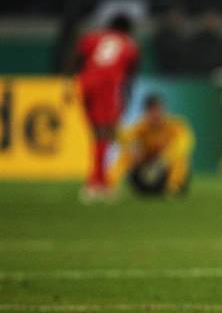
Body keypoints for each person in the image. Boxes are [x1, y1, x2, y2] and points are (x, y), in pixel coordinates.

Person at [76, 13, 139, 202]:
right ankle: (96, 183)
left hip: (86, 82)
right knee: (105, 132)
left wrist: (71, 79)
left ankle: (100, 180)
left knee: (97, 134)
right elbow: (130, 75)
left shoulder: (93, 37)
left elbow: (78, 56)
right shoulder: (129, 44)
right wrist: (126, 98)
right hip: (107, 84)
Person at [109, 94, 194, 196]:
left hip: (166, 169)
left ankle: (173, 187)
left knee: (180, 158)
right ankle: (110, 184)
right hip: (146, 170)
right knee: (127, 155)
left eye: (158, 110)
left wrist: (163, 160)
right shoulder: (141, 127)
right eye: (152, 111)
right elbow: (125, 137)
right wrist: (132, 147)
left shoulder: (175, 125)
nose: (156, 115)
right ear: (146, 113)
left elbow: (184, 143)